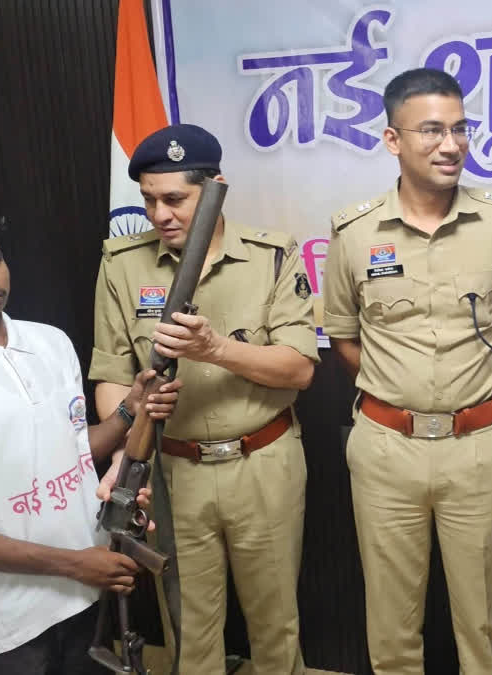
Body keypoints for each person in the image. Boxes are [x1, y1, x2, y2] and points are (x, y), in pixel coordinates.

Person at [0, 209, 180, 674]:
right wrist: (73, 564)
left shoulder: (50, 342)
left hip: (88, 593)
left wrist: (129, 409)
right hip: (10, 620)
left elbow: (72, 449)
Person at [322, 67, 492, 674]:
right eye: (432, 131)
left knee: (486, 630)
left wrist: (470, 389)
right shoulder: (353, 232)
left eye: (460, 129)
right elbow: (343, 337)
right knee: (391, 631)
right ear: (393, 140)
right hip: (386, 449)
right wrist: (402, 394)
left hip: (480, 448)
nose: (452, 145)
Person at [90, 123, 319, 675]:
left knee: (275, 622)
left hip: (262, 462)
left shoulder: (271, 255)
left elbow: (298, 368)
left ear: (214, 188)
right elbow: (112, 377)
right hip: (173, 469)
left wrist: (214, 349)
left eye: (175, 199)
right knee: (189, 629)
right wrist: (127, 449)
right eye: (149, 200)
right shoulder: (122, 263)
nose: (160, 214)